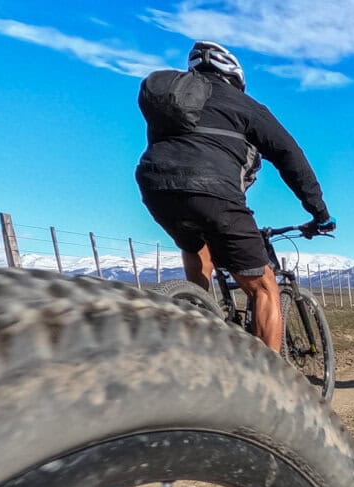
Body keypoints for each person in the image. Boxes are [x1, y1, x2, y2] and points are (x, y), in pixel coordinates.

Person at [135, 41, 335, 354]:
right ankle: (270, 388)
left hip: (155, 188)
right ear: (235, 77)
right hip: (214, 194)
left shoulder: (170, 104)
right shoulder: (245, 105)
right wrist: (319, 212)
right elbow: (290, 157)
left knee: (194, 244)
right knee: (264, 288)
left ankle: (196, 319)